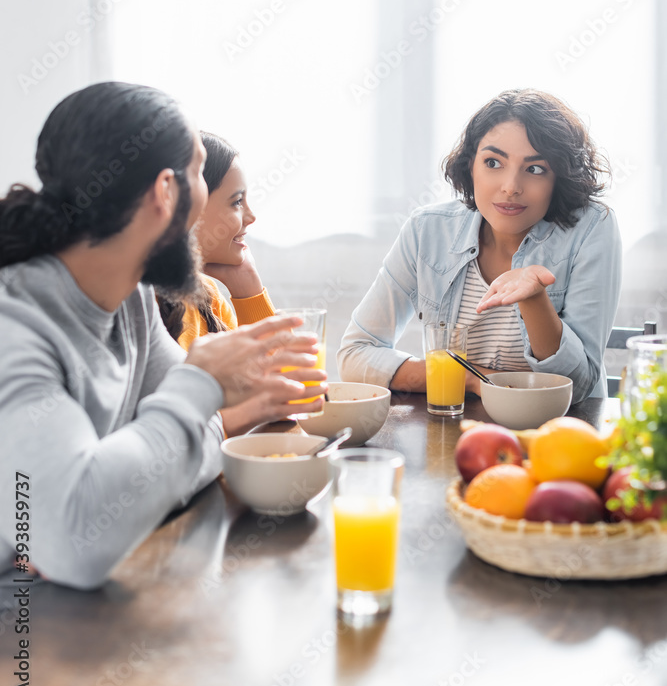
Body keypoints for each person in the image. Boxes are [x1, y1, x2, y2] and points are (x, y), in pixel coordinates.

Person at [0, 82, 325, 590]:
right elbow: (76, 544)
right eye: (199, 172)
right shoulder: (13, 326)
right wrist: (198, 384)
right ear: (164, 192)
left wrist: (111, 491)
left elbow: (181, 445)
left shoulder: (128, 300)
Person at [338, 89, 621, 404]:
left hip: (560, 437)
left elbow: (578, 386)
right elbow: (355, 355)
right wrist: (471, 378)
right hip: (454, 431)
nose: (511, 186)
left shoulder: (593, 228)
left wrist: (534, 299)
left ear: (559, 178)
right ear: (470, 165)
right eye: (493, 162)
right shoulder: (427, 230)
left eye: (536, 169)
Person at [158, 132, 315, 436]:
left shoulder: (210, 297)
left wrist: (249, 290)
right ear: (189, 206)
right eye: (237, 202)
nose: (251, 216)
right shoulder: (142, 305)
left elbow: (291, 391)